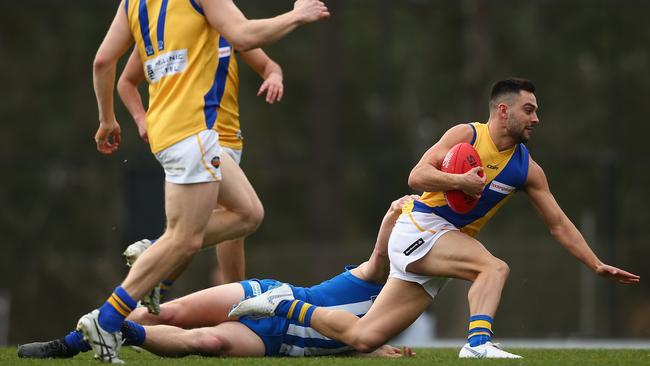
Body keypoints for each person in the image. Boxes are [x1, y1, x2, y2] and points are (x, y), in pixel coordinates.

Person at [229, 78, 641, 359]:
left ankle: (282, 305)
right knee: (493, 267)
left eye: (536, 112)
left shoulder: (526, 169)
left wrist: (595, 263)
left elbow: (559, 224)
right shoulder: (467, 136)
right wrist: (460, 179)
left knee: (363, 336)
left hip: (440, 244)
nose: (536, 118)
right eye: (529, 110)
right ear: (503, 110)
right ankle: (478, 343)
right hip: (420, 224)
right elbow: (417, 175)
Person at [84, 0, 329, 363]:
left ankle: (152, 261)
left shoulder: (132, 3)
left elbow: (102, 62)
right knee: (184, 240)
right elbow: (244, 33)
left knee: (247, 213)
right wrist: (297, 15)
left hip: (176, 133)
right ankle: (105, 320)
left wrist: (107, 120)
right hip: (194, 131)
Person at [17, 197, 418, 359]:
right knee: (166, 315)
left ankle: (121, 332)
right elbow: (380, 256)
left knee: (204, 342)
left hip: (273, 341)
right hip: (265, 294)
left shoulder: (384, 325)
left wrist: (371, 350)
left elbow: (355, 338)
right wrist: (392, 215)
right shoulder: (375, 280)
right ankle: (68, 345)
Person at [116, 37, 284, 313]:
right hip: (197, 138)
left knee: (208, 229)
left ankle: (144, 299)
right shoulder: (168, 26)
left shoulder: (227, 26)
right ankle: (237, 305)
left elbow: (268, 64)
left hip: (229, 140)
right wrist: (140, 119)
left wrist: (274, 76)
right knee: (235, 219)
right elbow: (123, 79)